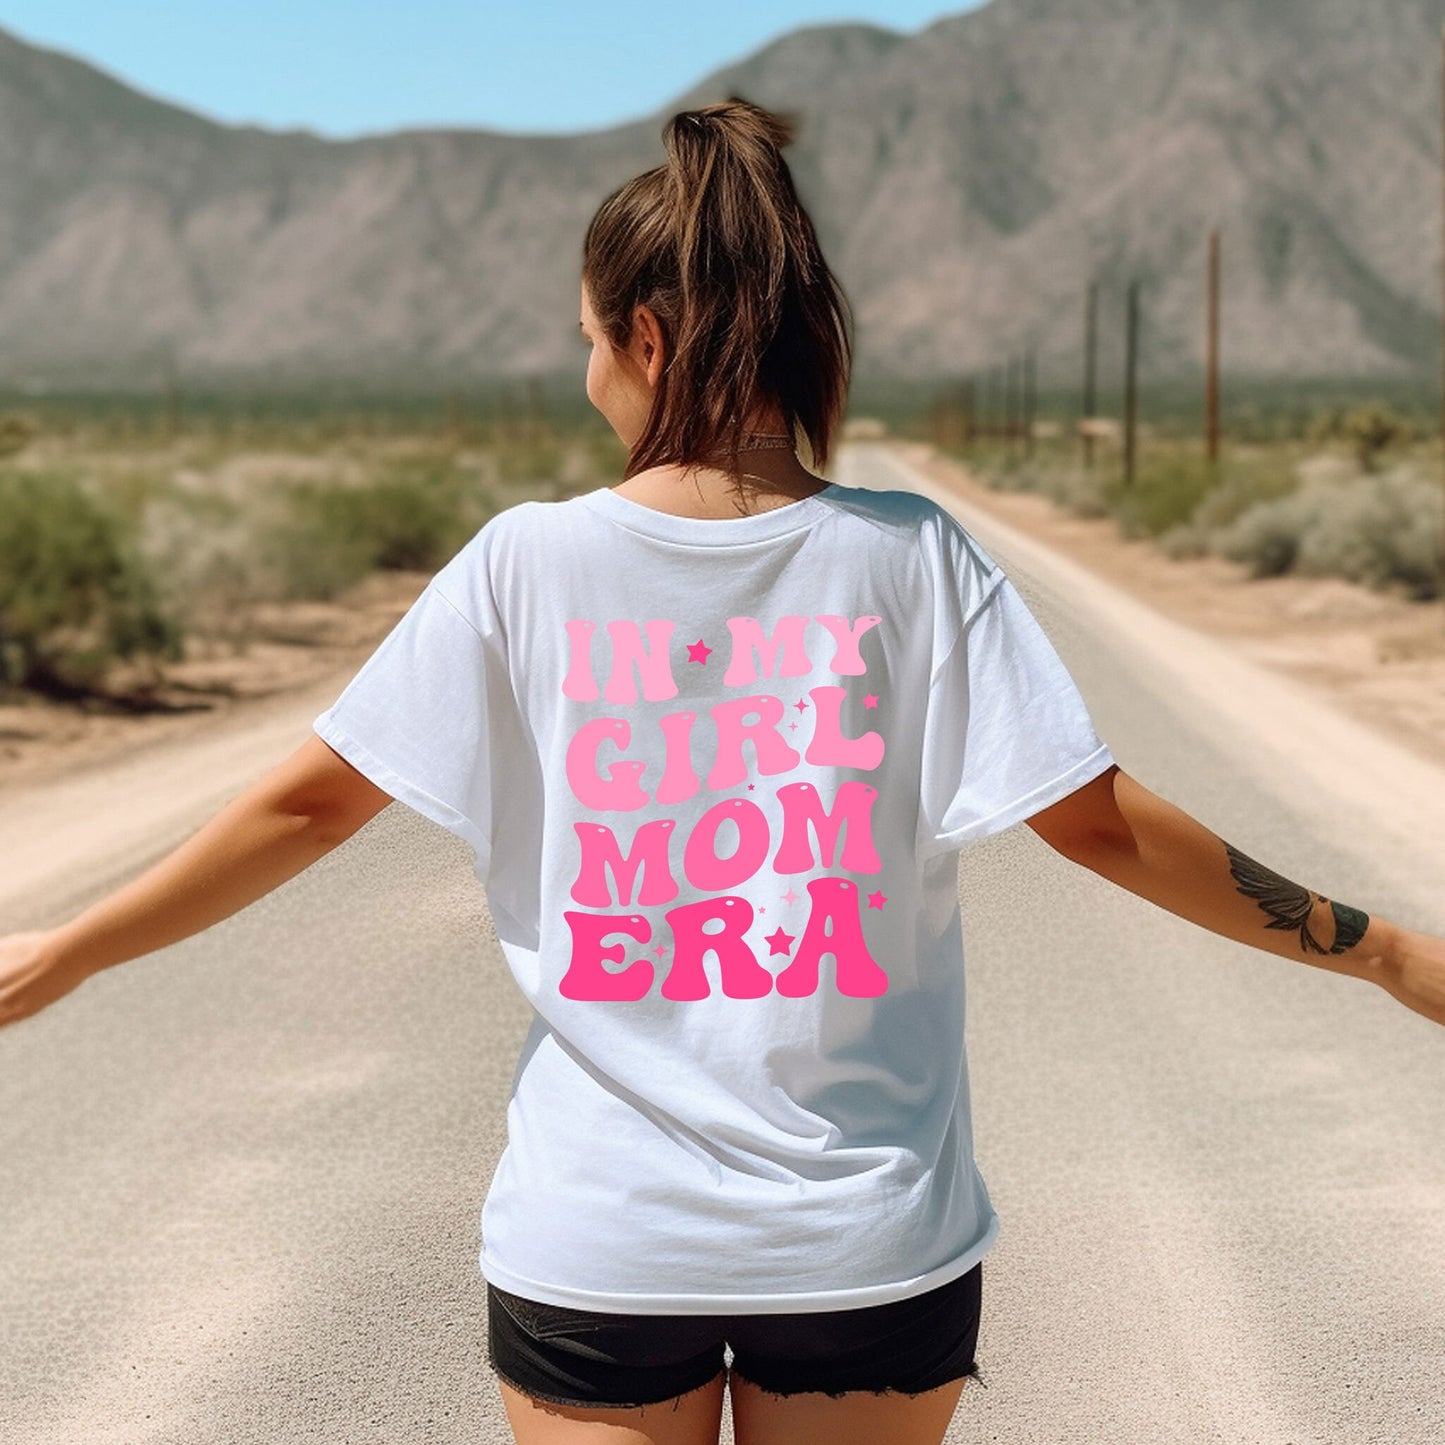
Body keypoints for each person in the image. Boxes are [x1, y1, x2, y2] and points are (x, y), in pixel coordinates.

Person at [2, 96, 1443, 1445]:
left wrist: (67, 953)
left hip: (602, 1242)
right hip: (864, 1245)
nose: (582, 376)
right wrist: (1378, 952)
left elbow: (307, 805)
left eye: (583, 339)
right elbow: (1107, 833)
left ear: (642, 335)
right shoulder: (911, 558)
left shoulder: (524, 564)